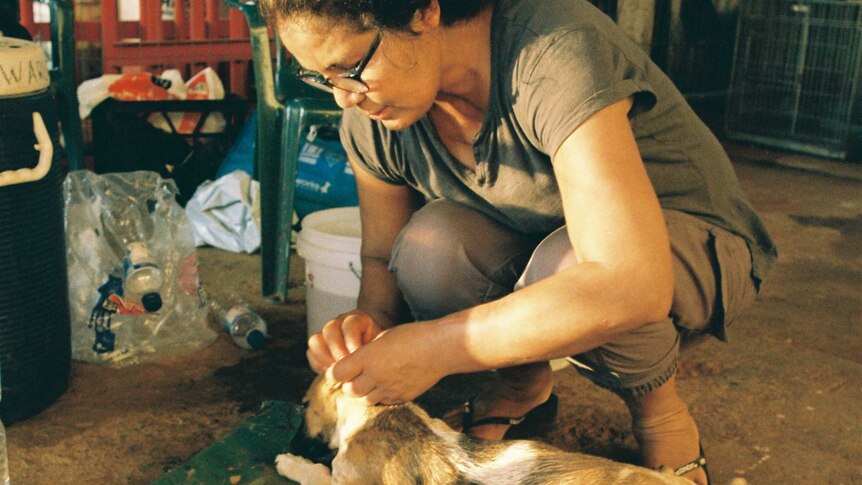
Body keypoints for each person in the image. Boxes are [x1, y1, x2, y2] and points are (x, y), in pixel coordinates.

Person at [259, 0, 777, 483]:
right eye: (320, 76)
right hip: (546, 251)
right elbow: (380, 256)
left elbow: (629, 281)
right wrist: (371, 324)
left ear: (423, 12)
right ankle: (521, 387)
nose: (343, 97)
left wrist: (439, 348)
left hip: (691, 252)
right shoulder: (372, 118)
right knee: (431, 245)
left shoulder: (554, 51)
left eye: (349, 66)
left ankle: (660, 413)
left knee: (570, 263)